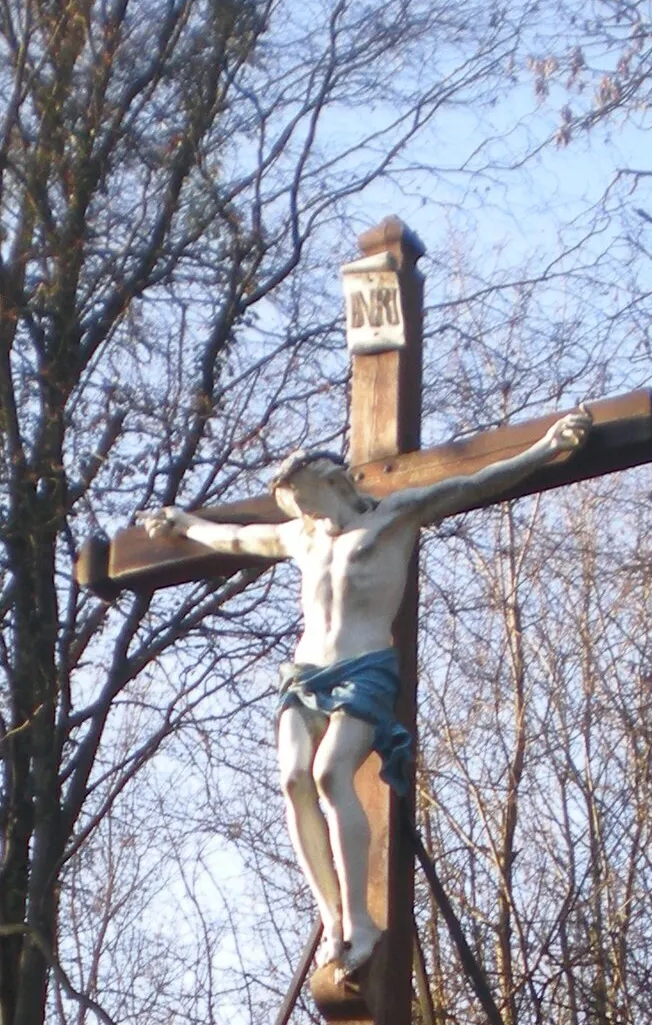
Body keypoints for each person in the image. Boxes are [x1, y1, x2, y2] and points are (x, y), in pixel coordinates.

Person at [140, 406, 592, 986]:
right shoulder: (299, 537)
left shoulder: (393, 518)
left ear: (332, 482)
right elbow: (233, 536)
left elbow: (475, 480)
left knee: (332, 775)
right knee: (293, 780)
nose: (302, 512)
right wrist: (183, 522)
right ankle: (332, 918)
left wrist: (546, 449)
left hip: (365, 667)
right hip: (306, 674)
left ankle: (362, 920)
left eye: (305, 498)